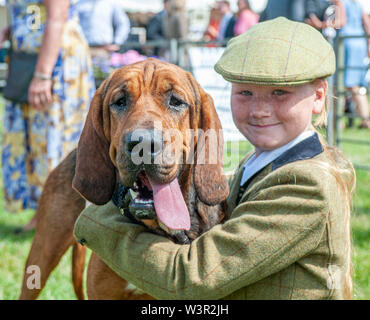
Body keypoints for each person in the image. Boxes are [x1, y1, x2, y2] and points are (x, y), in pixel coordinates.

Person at [74, 17, 355, 299]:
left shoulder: (307, 186)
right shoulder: (259, 164)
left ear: (319, 97)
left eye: (279, 92)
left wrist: (96, 215)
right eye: (245, 92)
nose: (259, 110)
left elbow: (191, 280)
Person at [0, 0, 95, 231]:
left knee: (54, 141)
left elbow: (56, 17)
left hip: (56, 66)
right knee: (34, 143)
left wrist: (42, 75)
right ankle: (42, 215)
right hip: (25, 62)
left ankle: (62, 217)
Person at [338, 0, 370, 128]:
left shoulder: (339, 1)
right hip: (359, 42)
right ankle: (365, 120)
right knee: (356, 85)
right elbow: (366, 23)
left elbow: (341, 21)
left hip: (345, 43)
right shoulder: (358, 3)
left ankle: (338, 122)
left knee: (339, 85)